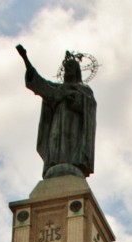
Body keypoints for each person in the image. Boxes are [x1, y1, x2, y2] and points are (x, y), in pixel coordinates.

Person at [17, 46, 96, 179]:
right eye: (66, 68)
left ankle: (73, 166)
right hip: (57, 122)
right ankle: (54, 165)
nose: (67, 70)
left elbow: (89, 106)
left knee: (70, 143)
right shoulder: (56, 88)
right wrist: (25, 59)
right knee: (55, 141)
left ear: (77, 71)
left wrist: (75, 100)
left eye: (70, 67)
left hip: (74, 124)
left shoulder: (84, 90)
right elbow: (40, 84)